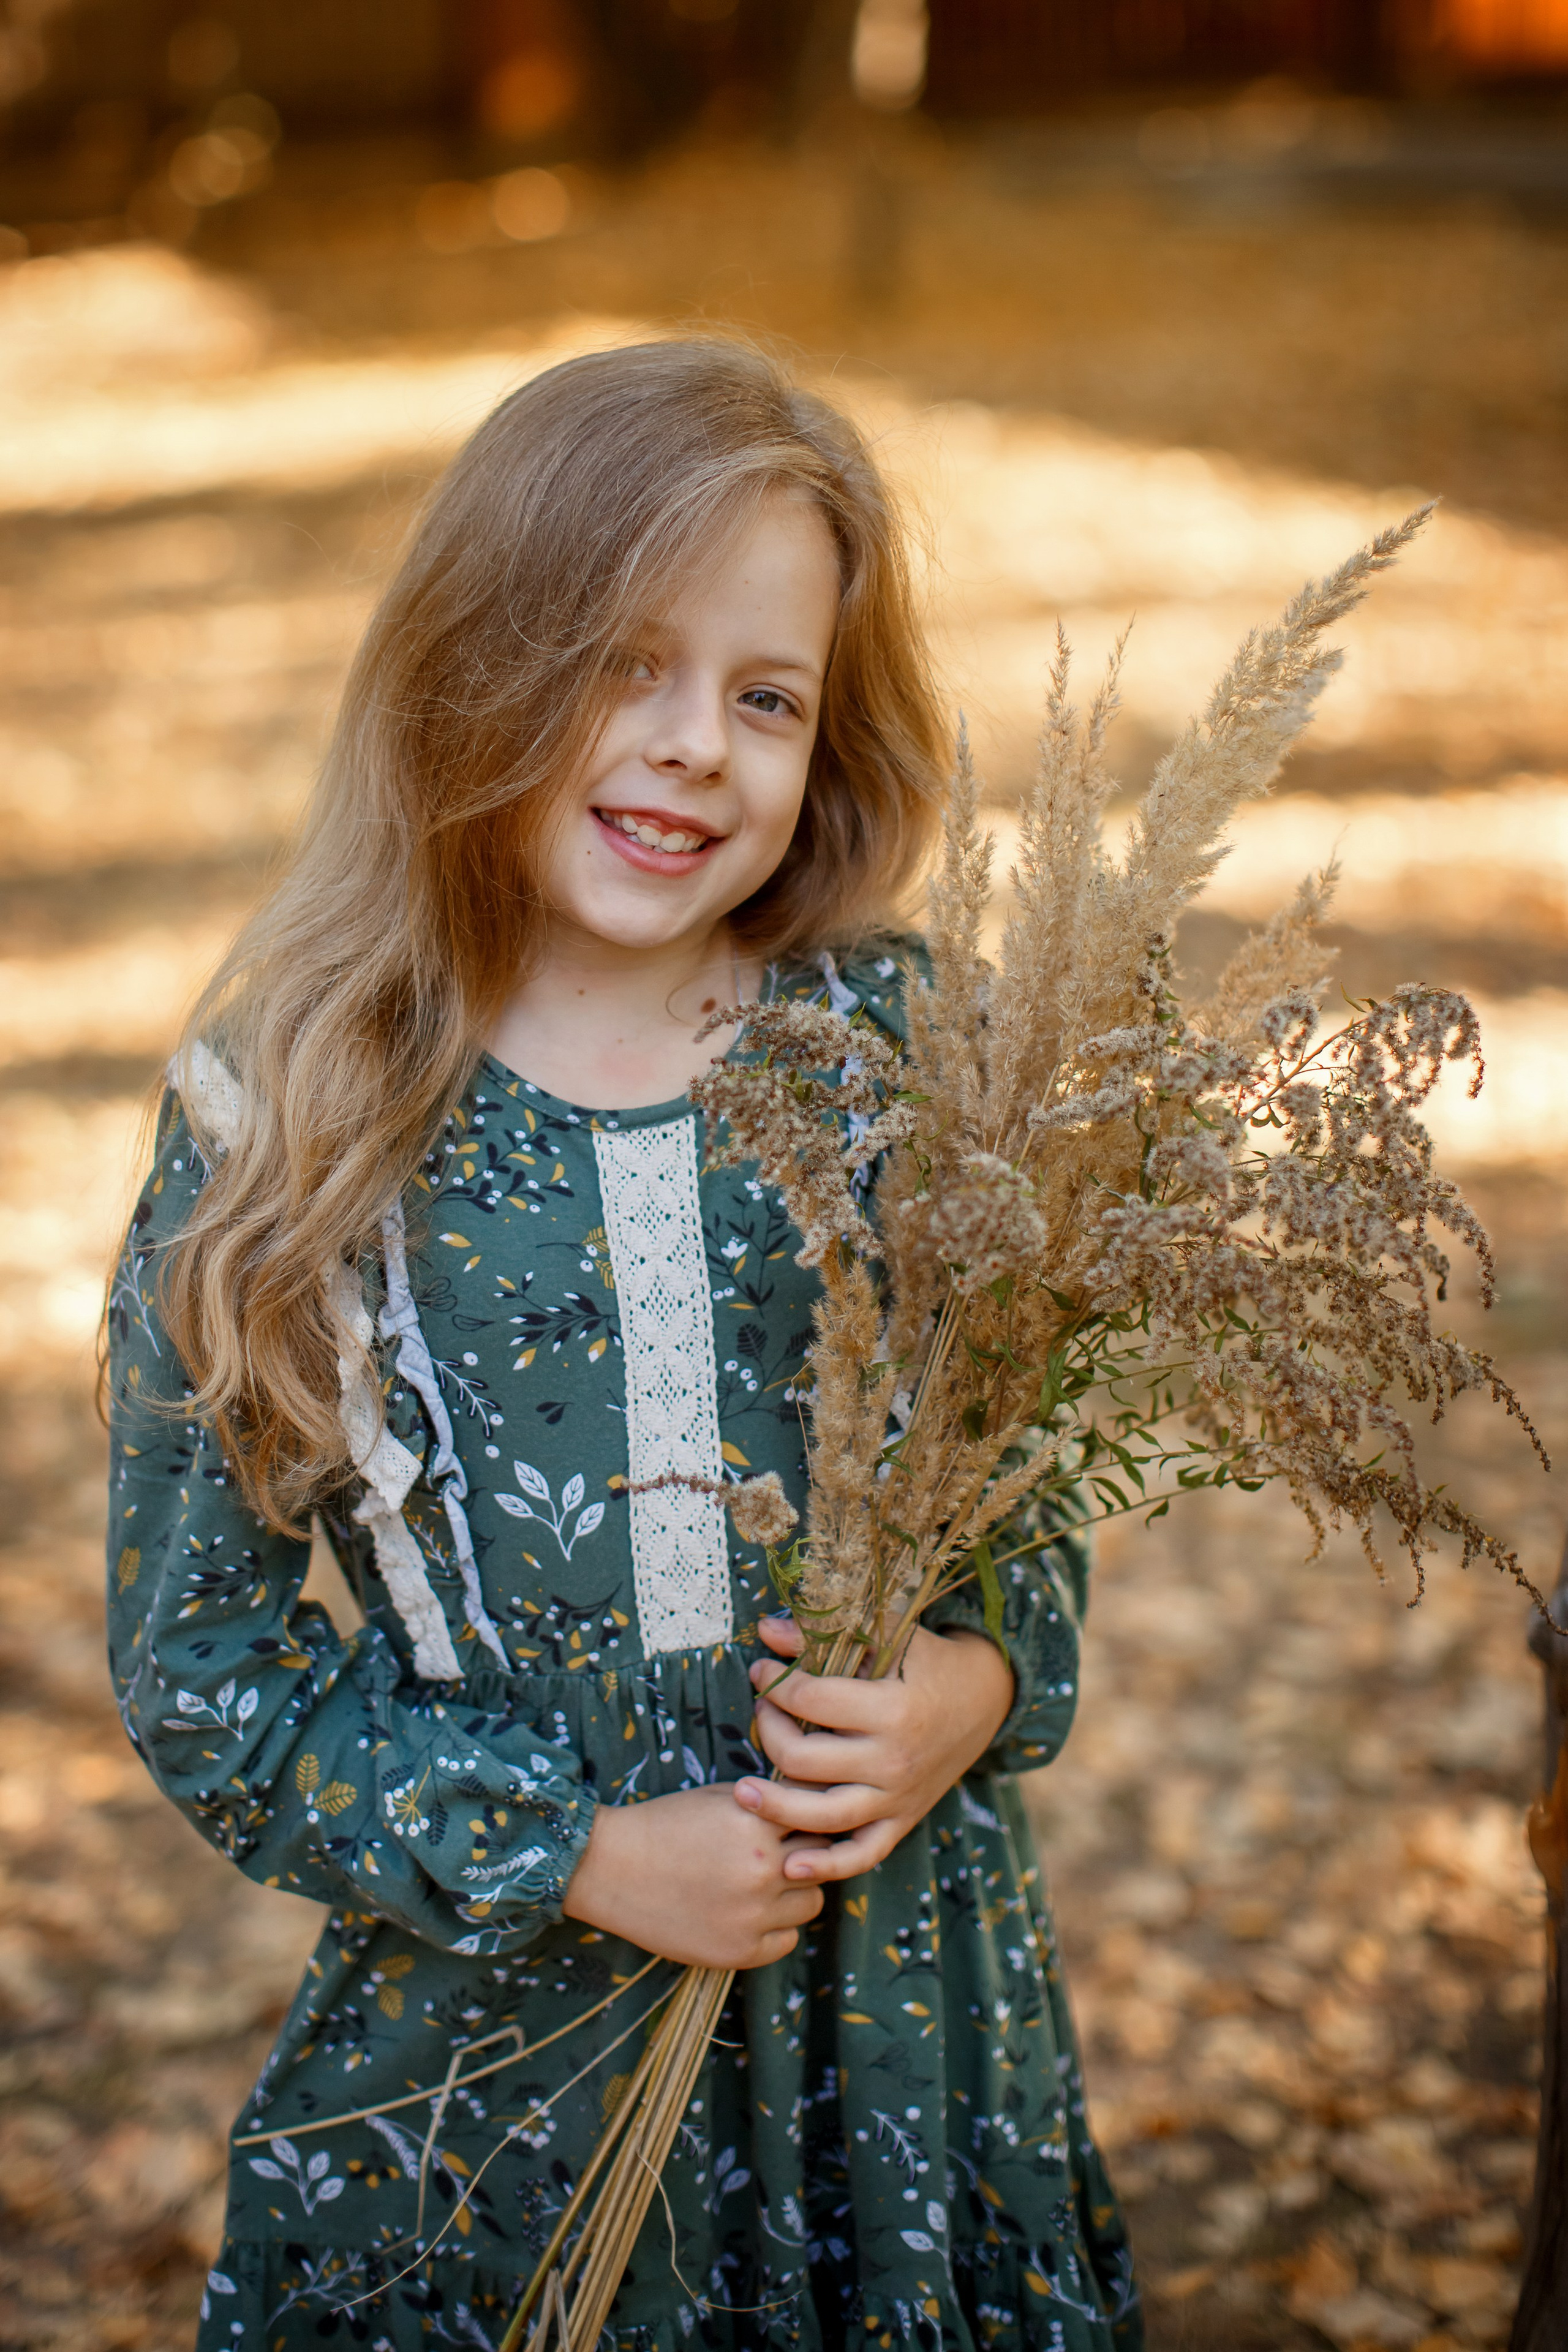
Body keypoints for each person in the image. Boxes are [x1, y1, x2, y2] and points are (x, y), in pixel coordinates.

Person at [105, 339, 1141, 2350]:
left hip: (899, 2019)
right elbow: (200, 1671)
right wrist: (572, 1851)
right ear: (473, 662)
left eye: (766, 697)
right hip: (503, 2065)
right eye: (622, 664)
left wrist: (980, 1683)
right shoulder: (295, 1114)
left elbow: (1015, 1483)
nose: (694, 748)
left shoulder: (904, 1055)